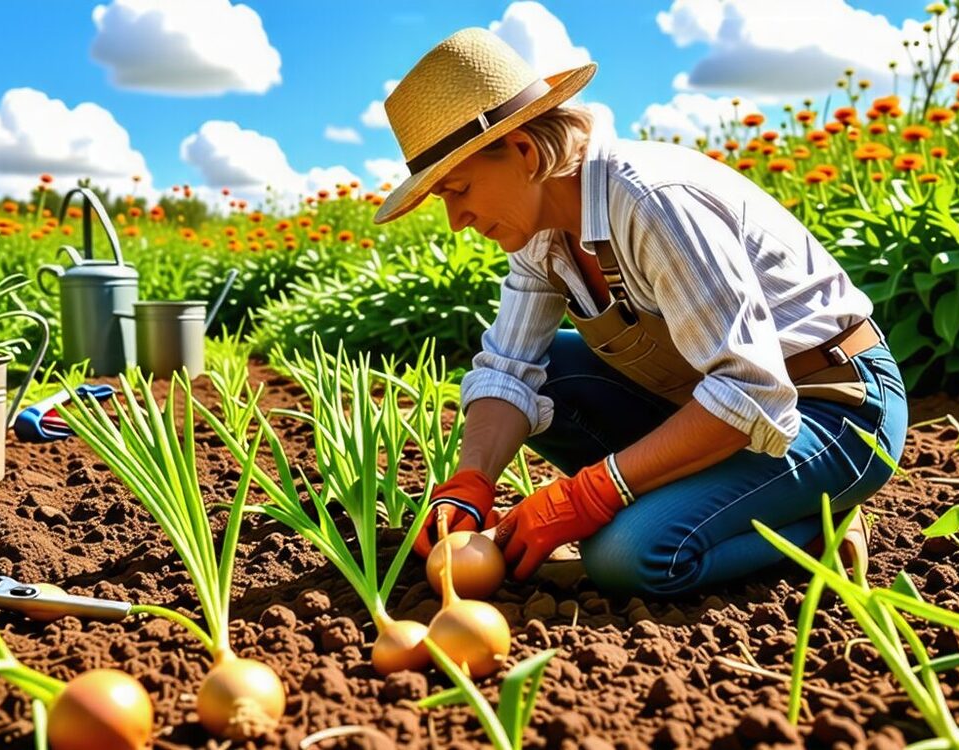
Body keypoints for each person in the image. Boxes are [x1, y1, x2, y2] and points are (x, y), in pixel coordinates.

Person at [372, 28, 908, 596]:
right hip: (712, 406)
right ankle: (702, 497)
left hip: (831, 408)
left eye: (458, 189)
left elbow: (751, 391)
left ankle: (817, 533)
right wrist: (472, 478)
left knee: (627, 557)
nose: (457, 218)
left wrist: (592, 494)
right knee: (547, 372)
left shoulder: (653, 202)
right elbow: (509, 366)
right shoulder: (539, 235)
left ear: (525, 153)